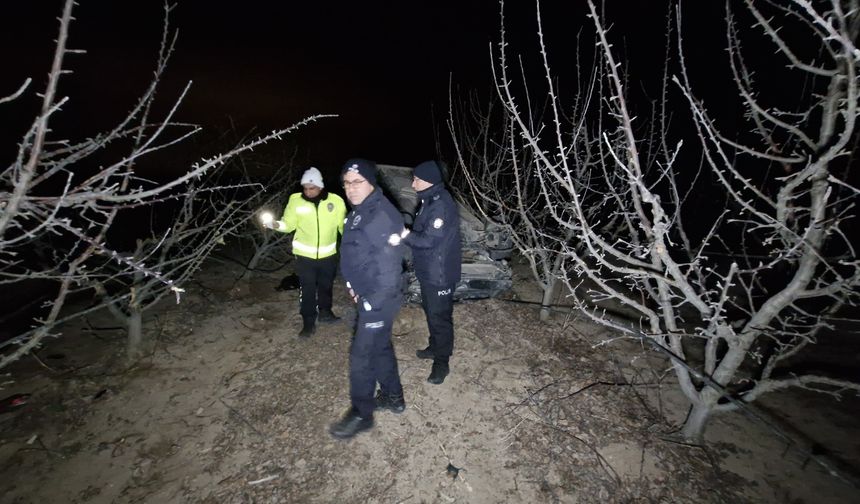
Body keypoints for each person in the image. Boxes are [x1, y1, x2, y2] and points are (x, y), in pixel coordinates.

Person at [329, 158, 407, 440]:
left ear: (371, 182)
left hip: (378, 299)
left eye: (357, 181)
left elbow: (388, 268)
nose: (351, 188)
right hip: (368, 296)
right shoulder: (362, 210)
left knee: (361, 357)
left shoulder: (380, 216)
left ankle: (362, 414)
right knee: (380, 348)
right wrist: (353, 286)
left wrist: (370, 302)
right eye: (347, 183)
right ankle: (393, 397)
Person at [390, 160, 461, 385]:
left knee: (440, 318)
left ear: (428, 181)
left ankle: (442, 362)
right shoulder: (429, 199)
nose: (412, 183)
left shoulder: (440, 204)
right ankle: (435, 347)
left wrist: (403, 235)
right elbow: (421, 230)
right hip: (429, 270)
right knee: (432, 312)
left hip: (440, 274)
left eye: (416, 179)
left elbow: (429, 240)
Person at [266, 167, 346, 338]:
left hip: (329, 254)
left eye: (312, 188)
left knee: (325, 286)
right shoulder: (295, 201)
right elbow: (289, 224)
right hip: (305, 257)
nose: (308, 192)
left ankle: (325, 313)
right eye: (305, 188)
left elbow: (343, 227)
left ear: (320, 186)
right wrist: (275, 224)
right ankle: (308, 322)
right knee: (307, 289)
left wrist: (353, 238)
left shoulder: (336, 201)